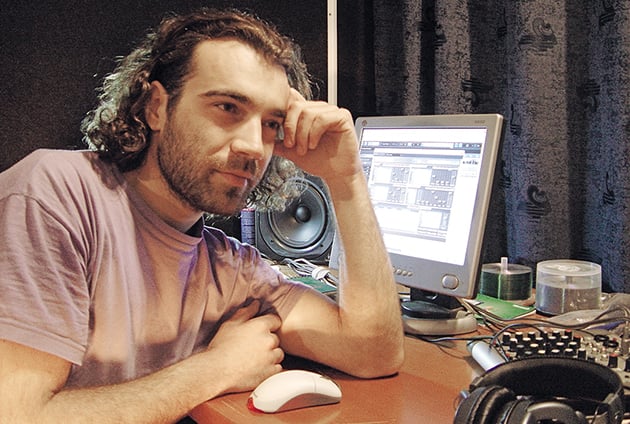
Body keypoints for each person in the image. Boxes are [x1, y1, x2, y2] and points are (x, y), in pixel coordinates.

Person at [0, 7, 404, 423]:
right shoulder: (54, 196)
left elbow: (372, 351)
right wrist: (216, 369)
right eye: (228, 107)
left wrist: (346, 179)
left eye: (271, 124)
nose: (254, 146)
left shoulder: (228, 267)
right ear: (156, 107)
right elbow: (17, 415)